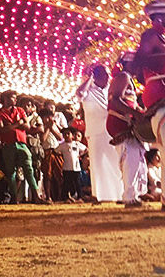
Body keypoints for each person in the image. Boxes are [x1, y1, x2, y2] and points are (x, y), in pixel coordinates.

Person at [76, 65, 123, 202]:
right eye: (104, 74)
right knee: (98, 164)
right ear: (96, 76)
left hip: (112, 129)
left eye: (108, 74)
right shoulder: (88, 90)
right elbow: (79, 94)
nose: (107, 77)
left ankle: (118, 194)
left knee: (115, 163)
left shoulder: (111, 89)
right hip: (95, 131)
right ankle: (99, 195)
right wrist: (90, 78)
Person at [106, 71, 148, 207]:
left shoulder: (128, 80)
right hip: (120, 122)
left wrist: (141, 112)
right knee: (130, 158)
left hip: (125, 122)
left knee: (134, 158)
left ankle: (132, 194)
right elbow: (115, 100)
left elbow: (130, 103)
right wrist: (135, 113)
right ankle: (129, 196)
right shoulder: (123, 77)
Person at [0, 90, 44, 204]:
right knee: (11, 172)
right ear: (5, 99)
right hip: (8, 145)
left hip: (22, 143)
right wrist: (18, 123)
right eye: (12, 97)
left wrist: (10, 125)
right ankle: (14, 198)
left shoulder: (20, 110)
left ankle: (36, 196)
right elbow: (2, 129)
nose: (15, 99)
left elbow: (27, 126)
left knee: (29, 169)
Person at [56, 128, 88, 201]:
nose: (66, 136)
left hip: (76, 167)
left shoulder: (76, 144)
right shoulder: (62, 145)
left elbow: (86, 149)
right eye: (64, 134)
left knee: (77, 183)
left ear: (72, 135)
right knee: (66, 183)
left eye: (68, 134)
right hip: (66, 168)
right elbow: (56, 151)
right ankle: (66, 197)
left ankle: (80, 197)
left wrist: (80, 155)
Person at [40, 110, 64, 202]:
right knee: (47, 175)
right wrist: (48, 128)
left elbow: (60, 137)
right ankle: (48, 197)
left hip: (56, 151)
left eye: (50, 117)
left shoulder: (54, 126)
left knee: (60, 174)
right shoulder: (41, 127)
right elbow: (42, 139)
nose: (49, 119)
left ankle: (61, 196)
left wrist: (52, 128)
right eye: (47, 117)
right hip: (47, 151)